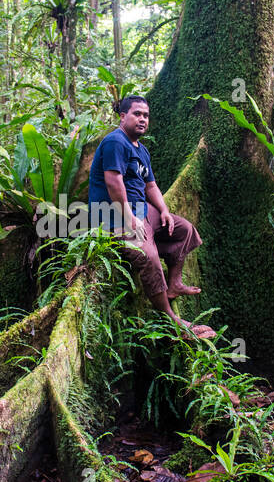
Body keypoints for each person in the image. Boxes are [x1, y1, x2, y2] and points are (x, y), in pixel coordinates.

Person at [87, 94, 216, 339]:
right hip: (115, 217)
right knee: (149, 256)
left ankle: (174, 283)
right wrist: (129, 218)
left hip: (144, 212)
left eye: (146, 115)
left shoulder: (142, 150)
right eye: (137, 114)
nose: (142, 119)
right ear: (122, 116)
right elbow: (114, 183)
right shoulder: (115, 142)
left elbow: (151, 186)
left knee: (185, 230)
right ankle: (173, 321)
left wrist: (165, 210)